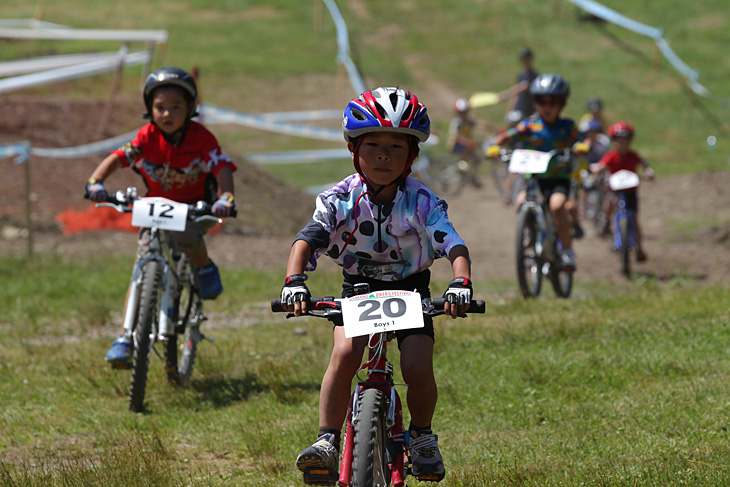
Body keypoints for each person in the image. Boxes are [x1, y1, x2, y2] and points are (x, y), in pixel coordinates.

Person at [282, 87, 473, 484]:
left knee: (417, 365)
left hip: (411, 289)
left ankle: (421, 436)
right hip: (358, 287)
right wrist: (294, 281)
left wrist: (460, 282)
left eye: (395, 147)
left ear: (412, 156)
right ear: (354, 150)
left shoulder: (421, 200)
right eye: (373, 145)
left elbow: (451, 242)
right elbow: (308, 238)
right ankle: (326, 441)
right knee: (345, 356)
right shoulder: (339, 198)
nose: (384, 155)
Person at [85, 66, 238, 366]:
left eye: (175, 107)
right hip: (154, 207)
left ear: (190, 108)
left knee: (189, 240)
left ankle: (204, 267)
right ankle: (125, 337)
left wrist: (225, 197)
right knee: (141, 268)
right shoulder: (146, 136)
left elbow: (221, 166)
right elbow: (120, 156)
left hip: (191, 207)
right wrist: (96, 181)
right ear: (149, 109)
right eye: (160, 107)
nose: (167, 114)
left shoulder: (202, 138)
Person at [487, 73, 587, 271]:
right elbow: (508, 135)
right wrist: (495, 146)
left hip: (558, 178)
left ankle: (567, 251)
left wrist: (581, 147)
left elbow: (582, 140)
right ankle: (529, 238)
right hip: (533, 178)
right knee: (519, 202)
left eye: (553, 102)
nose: (547, 107)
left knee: (558, 206)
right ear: (535, 102)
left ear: (562, 104)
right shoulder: (530, 124)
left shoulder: (567, 126)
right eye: (542, 101)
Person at [592, 121, 654, 261]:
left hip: (630, 191)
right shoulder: (611, 156)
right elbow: (601, 166)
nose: (623, 144)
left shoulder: (633, 156)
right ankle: (606, 221)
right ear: (614, 142)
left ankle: (639, 248)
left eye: (626, 141)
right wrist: (595, 172)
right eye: (619, 141)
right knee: (608, 203)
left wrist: (648, 172)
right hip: (616, 190)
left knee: (635, 220)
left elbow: (645, 165)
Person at [446, 98, 500, 188]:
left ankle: (472, 176)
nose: (464, 115)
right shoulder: (456, 123)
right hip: (456, 146)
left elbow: (482, 125)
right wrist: (468, 142)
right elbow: (456, 137)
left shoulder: (469, 121)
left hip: (467, 146)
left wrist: (496, 130)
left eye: (465, 112)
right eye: (462, 113)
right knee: (464, 163)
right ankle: (463, 174)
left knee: (477, 159)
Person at [505, 47, 539, 123]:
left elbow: (524, 86)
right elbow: (516, 95)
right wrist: (509, 110)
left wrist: (507, 93)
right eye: (523, 58)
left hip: (530, 110)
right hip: (519, 110)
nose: (525, 60)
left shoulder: (533, 75)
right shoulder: (521, 75)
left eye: (526, 58)